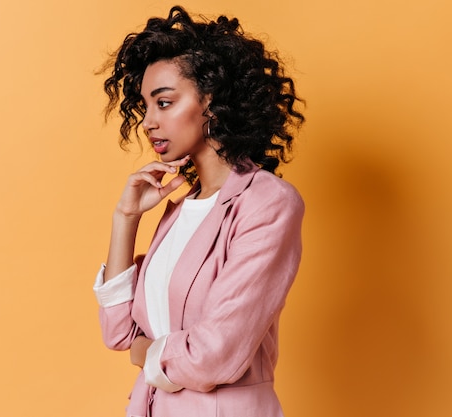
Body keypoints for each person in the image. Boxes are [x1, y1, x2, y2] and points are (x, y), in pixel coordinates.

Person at [93, 5, 305, 416]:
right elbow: (118, 331)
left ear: (211, 101)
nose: (148, 122)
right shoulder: (181, 209)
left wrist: (147, 353)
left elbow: (217, 353)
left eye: (165, 102)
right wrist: (126, 218)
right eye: (146, 106)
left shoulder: (267, 203)